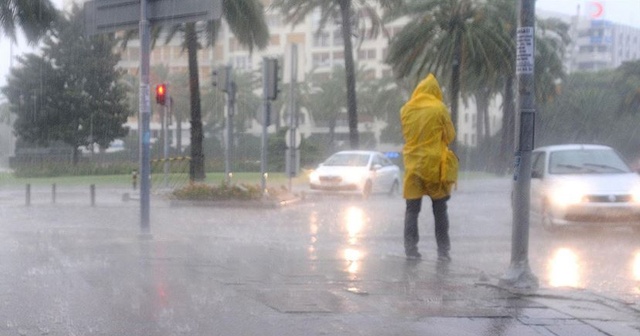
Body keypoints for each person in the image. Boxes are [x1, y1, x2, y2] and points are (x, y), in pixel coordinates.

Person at [400, 73, 459, 262]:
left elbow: (407, 133)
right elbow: (450, 136)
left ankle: (411, 249)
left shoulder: (406, 109)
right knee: (440, 209)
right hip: (434, 166)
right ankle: (443, 251)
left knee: (412, 210)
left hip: (413, 165)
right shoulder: (439, 108)